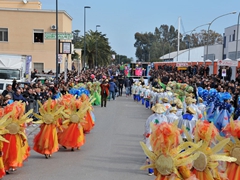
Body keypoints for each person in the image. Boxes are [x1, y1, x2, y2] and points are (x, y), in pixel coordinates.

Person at [143, 103, 167, 176]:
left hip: (151, 137)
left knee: (151, 153)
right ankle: (158, 169)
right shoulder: (164, 118)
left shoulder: (151, 118)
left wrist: (146, 136)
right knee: (159, 153)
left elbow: (147, 128)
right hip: (161, 138)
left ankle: (151, 170)